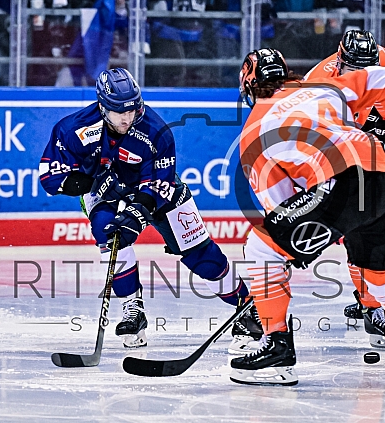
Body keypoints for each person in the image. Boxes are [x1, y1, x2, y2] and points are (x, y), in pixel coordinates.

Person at [230, 48, 385, 385]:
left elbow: (278, 207)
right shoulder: (321, 88)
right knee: (380, 272)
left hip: (341, 184)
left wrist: (288, 254)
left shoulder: (253, 133)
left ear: (248, 88)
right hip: (382, 178)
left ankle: (277, 349)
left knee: (261, 248)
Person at [39, 67, 253, 348]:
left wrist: (135, 215)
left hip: (153, 190)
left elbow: (159, 187)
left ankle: (248, 307)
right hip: (104, 191)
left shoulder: (156, 131)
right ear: (102, 107)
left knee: (200, 255)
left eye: (132, 109)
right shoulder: (72, 130)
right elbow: (50, 177)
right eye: (119, 111)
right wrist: (90, 181)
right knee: (107, 232)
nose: (128, 117)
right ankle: (133, 309)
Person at [304, 29, 385, 350]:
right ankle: (371, 305)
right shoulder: (319, 84)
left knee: (376, 231)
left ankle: (372, 301)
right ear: (339, 62)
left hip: (363, 138)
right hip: (330, 150)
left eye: (368, 68)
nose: (362, 75)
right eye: (354, 69)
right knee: (356, 231)